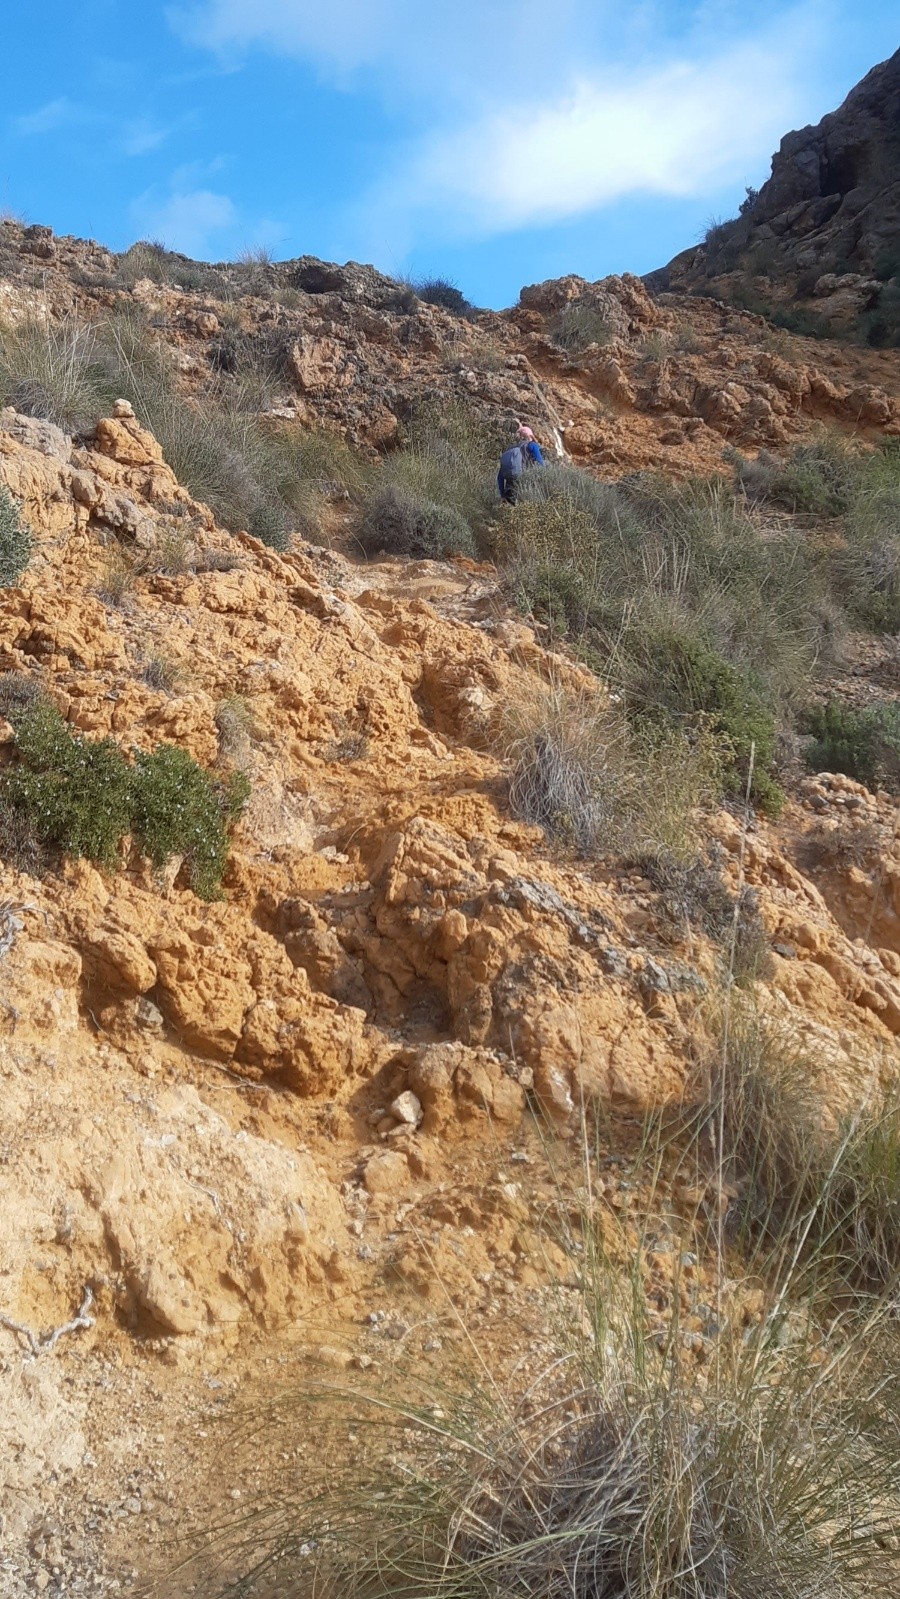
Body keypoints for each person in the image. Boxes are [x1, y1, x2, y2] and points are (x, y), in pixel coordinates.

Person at [497, 424, 545, 503]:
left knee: (509, 512)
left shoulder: (510, 449)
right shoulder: (532, 445)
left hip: (509, 488)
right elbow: (541, 463)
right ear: (530, 436)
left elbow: (500, 476)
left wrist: (502, 495)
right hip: (525, 486)